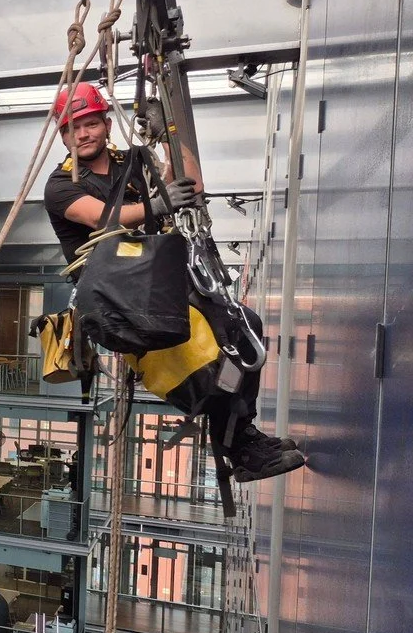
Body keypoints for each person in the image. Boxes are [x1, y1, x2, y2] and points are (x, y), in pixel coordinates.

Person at [42, 82, 304, 483]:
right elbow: (101, 218)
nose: (83, 134)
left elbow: (190, 186)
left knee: (244, 327)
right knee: (202, 366)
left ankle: (243, 438)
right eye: (73, 129)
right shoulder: (60, 186)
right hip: (118, 298)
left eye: (90, 124)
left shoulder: (134, 161)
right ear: (63, 136)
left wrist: (169, 136)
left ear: (106, 124)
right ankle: (242, 448)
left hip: (160, 280)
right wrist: (158, 205)